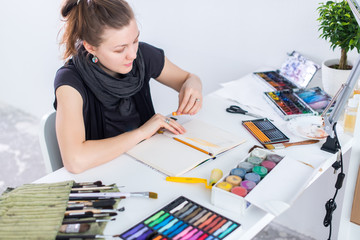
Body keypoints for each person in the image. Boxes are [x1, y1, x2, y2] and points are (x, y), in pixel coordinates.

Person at [54, 0, 202, 173]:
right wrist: (142, 133)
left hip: (151, 164)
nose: (132, 54)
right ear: (90, 47)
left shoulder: (142, 55)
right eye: (119, 50)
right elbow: (75, 161)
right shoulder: (70, 82)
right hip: (104, 176)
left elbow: (188, 78)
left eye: (135, 40)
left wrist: (194, 85)